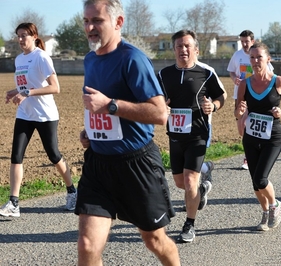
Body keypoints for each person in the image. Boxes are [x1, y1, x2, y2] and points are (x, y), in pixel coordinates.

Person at [75, 1, 180, 265]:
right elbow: (97, 108)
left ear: (118, 22)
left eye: (97, 21)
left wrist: (111, 106)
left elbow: (159, 114)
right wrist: (91, 132)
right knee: (88, 246)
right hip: (98, 165)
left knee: (154, 240)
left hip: (136, 165)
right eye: (86, 21)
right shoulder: (90, 59)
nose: (89, 27)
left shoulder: (132, 59)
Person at [1, 22, 77, 218]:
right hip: (25, 114)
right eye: (18, 35)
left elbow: (55, 87)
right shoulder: (19, 59)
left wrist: (27, 93)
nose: (20, 39)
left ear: (34, 36)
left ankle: (72, 192)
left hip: (45, 115)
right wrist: (15, 91)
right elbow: (26, 85)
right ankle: (14, 203)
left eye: (24, 35)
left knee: (53, 155)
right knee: (16, 156)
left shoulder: (41, 57)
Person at [157, 29, 226, 243]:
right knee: (180, 183)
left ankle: (190, 224)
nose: (183, 49)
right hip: (175, 134)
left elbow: (221, 96)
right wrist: (162, 109)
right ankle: (204, 183)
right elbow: (157, 100)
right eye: (179, 46)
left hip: (198, 133)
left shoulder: (206, 72)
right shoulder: (164, 74)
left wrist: (212, 106)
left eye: (187, 46)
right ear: (174, 49)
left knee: (188, 181)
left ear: (196, 49)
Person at [234, 42, 281, 231]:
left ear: (267, 59)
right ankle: (265, 213)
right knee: (255, 183)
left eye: (259, 57)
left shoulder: (278, 81)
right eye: (252, 58)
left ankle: (275, 205)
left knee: (261, 178)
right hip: (251, 136)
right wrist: (240, 110)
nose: (254, 61)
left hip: (272, 137)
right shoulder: (245, 83)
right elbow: (237, 110)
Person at [227, 30, 274, 170]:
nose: (244, 44)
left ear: (252, 41)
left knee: (250, 125)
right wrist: (235, 79)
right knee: (241, 128)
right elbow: (231, 70)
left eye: (246, 41)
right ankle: (253, 152)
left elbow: (271, 72)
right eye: (242, 41)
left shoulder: (259, 54)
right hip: (239, 95)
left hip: (254, 95)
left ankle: (249, 157)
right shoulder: (237, 55)